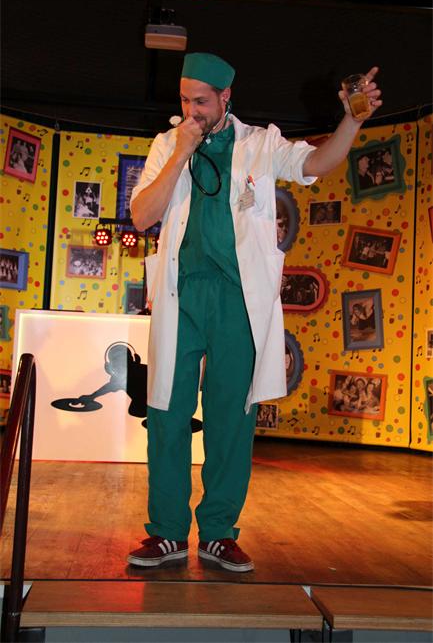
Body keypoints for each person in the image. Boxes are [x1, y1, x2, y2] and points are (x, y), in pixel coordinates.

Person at [128, 53, 382, 572]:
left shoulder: (261, 144)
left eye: (202, 101)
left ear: (226, 97)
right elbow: (142, 215)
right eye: (185, 100)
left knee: (231, 418)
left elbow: (317, 164)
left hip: (237, 300)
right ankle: (168, 532)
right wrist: (180, 153)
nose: (192, 110)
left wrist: (352, 121)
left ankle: (218, 533)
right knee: (166, 415)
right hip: (181, 297)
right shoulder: (167, 145)